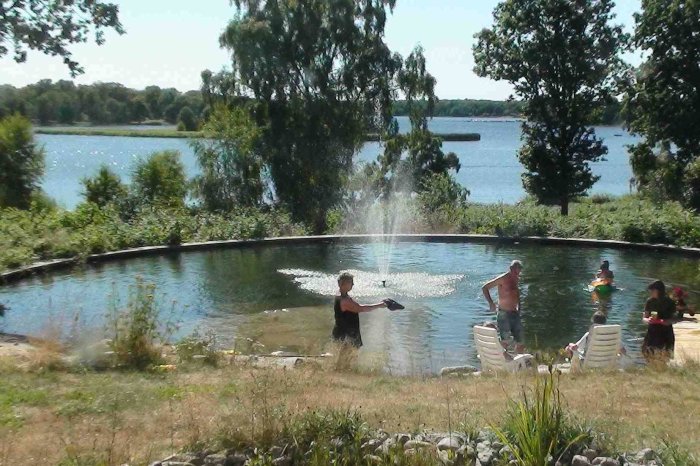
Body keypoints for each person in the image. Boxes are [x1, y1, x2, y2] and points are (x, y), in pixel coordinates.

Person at [332, 272, 388, 348]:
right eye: (351, 282)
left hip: (343, 330)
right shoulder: (344, 300)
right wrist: (380, 305)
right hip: (346, 333)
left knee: (345, 357)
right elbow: (361, 308)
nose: (353, 284)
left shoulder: (340, 294)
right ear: (344, 284)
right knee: (349, 357)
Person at [482, 260, 525, 353]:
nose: (516, 274)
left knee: (520, 341)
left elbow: (516, 293)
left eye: (518, 272)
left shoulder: (516, 278)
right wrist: (491, 302)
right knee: (505, 341)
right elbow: (485, 287)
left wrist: (520, 307)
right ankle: (502, 362)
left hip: (515, 313)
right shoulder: (503, 278)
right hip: (503, 313)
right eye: (515, 272)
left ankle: (520, 363)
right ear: (510, 269)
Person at [642, 280, 678, 361]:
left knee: (664, 357)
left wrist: (667, 321)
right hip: (652, 332)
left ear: (657, 291)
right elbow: (644, 317)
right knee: (649, 355)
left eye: (652, 291)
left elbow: (675, 319)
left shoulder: (670, 302)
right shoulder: (650, 301)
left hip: (665, 332)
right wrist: (648, 320)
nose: (650, 293)